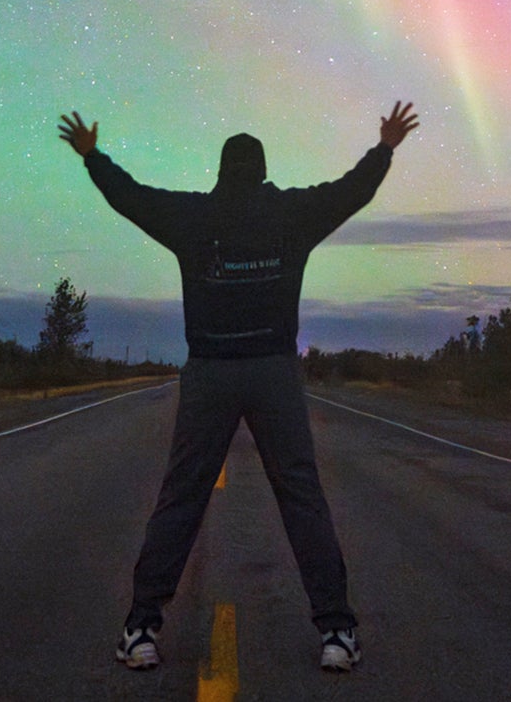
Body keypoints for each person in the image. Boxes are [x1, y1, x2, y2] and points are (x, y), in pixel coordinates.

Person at [57, 101, 420, 674]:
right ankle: (337, 631)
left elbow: (130, 197)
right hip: (274, 372)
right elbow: (353, 191)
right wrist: (385, 148)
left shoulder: (194, 217)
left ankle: (141, 627)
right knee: (301, 497)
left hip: (210, 373)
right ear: (263, 168)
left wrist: (92, 155)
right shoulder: (294, 214)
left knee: (182, 498)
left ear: (222, 170)